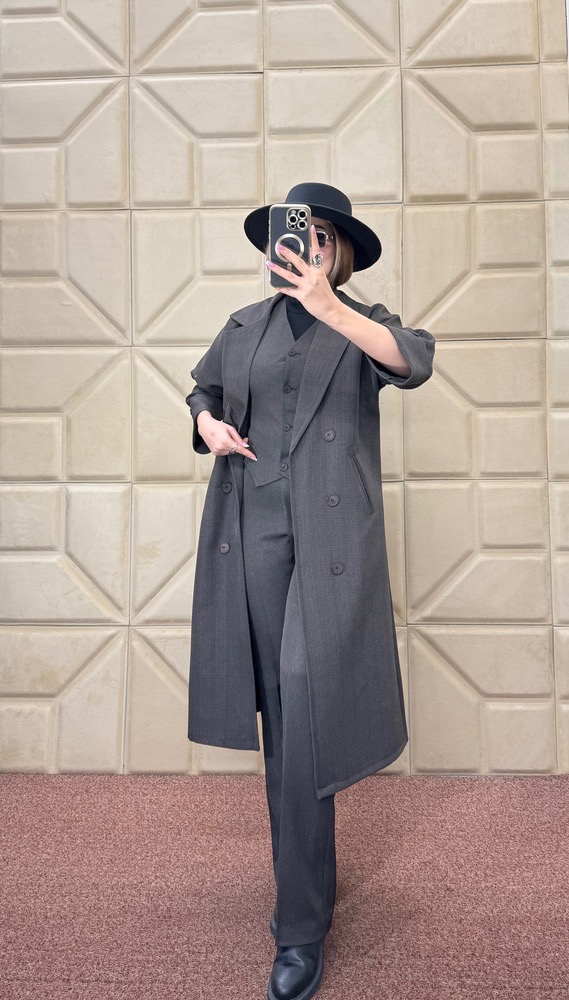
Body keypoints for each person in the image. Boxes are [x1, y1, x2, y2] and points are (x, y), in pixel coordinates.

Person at [185, 182, 435, 1000]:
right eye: (295, 234)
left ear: (341, 251)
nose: (304, 246)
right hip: (252, 532)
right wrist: (206, 425)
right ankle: (304, 902)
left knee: (303, 690)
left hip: (329, 544)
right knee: (284, 722)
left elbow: (413, 360)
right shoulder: (243, 326)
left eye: (321, 235)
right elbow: (203, 390)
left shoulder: (363, 324)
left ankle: (297, 928)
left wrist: (329, 305)